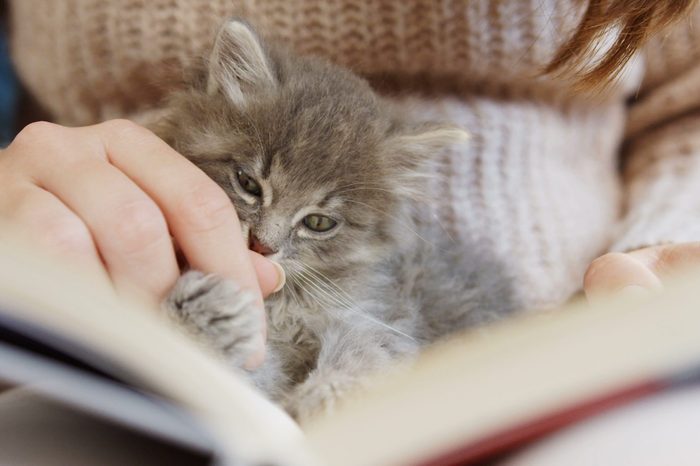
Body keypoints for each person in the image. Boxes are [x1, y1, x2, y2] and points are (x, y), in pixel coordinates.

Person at [2, 0, 700, 369]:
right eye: (251, 189)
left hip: (568, 345)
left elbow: (688, 105)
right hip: (113, 312)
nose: (265, 240)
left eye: (310, 221)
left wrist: (657, 269)